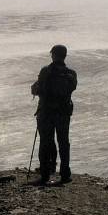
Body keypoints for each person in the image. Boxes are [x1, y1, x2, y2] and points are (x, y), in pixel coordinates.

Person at [30, 44, 77, 185]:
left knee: (46, 143)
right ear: (65, 56)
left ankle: (45, 175)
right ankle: (65, 175)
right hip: (63, 113)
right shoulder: (71, 74)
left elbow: (35, 90)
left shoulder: (45, 71)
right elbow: (72, 89)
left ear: (53, 55)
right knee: (63, 143)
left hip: (46, 113)